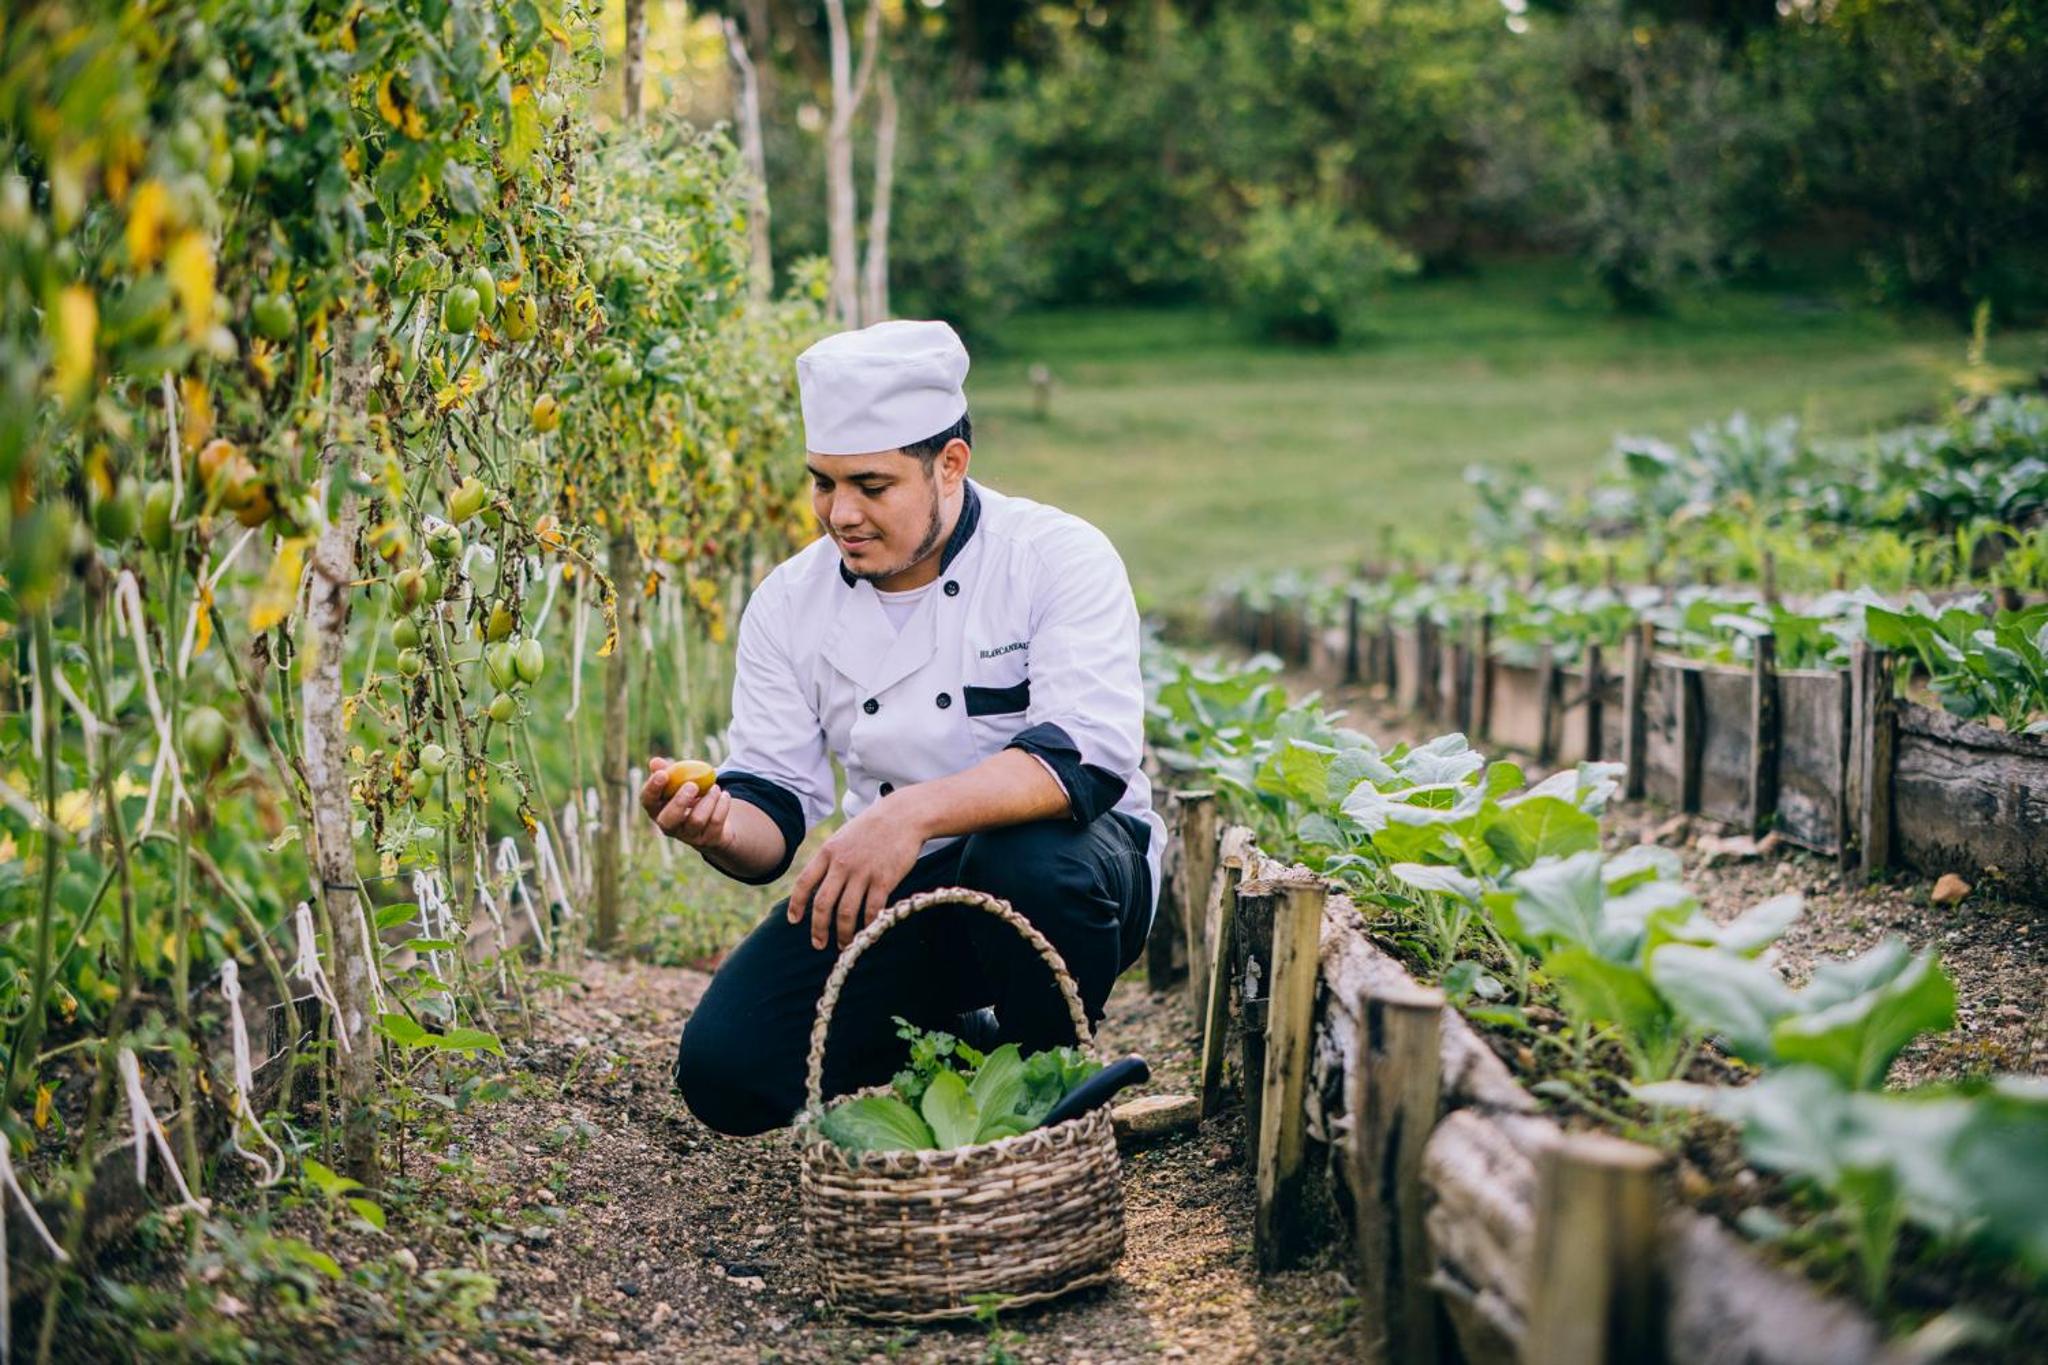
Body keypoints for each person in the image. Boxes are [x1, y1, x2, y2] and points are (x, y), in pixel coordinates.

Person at [642, 319, 1164, 1137]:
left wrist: (904, 812)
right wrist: (714, 825)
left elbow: (1085, 761)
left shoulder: (1056, 557)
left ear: (949, 464)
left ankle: (1046, 1077)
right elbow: (773, 811)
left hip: (1070, 871)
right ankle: (962, 1051)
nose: (840, 513)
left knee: (1022, 857)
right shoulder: (789, 602)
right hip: (899, 891)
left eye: (871, 485)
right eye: (823, 483)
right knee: (728, 1069)